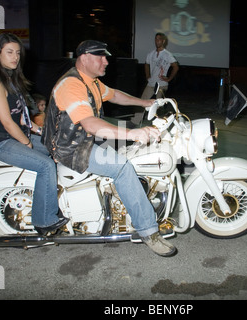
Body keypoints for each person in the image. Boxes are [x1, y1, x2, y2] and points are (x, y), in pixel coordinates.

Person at [42, 40, 177, 257]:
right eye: (100, 57)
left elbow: (114, 95)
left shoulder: (91, 81)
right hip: (73, 147)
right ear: (84, 58)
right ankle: (148, 231)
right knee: (122, 166)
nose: (106, 61)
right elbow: (90, 124)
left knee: (134, 141)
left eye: (106, 57)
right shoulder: (72, 85)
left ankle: (130, 195)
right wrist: (132, 134)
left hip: (85, 139)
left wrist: (146, 103)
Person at [0, 33, 67, 235]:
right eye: (9, 52)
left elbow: (20, 118)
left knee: (55, 147)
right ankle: (43, 220)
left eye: (18, 53)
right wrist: (26, 142)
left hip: (14, 135)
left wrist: (43, 132)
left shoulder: (10, 80)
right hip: (0, 142)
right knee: (45, 165)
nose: (15, 57)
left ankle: (47, 200)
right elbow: (7, 122)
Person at [141, 33, 179, 100]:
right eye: (156, 39)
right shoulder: (151, 54)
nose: (157, 41)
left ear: (163, 41)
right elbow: (146, 64)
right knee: (142, 101)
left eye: (159, 39)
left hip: (162, 84)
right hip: (151, 83)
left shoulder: (167, 54)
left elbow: (175, 67)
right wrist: (147, 76)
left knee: (158, 104)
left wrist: (169, 78)